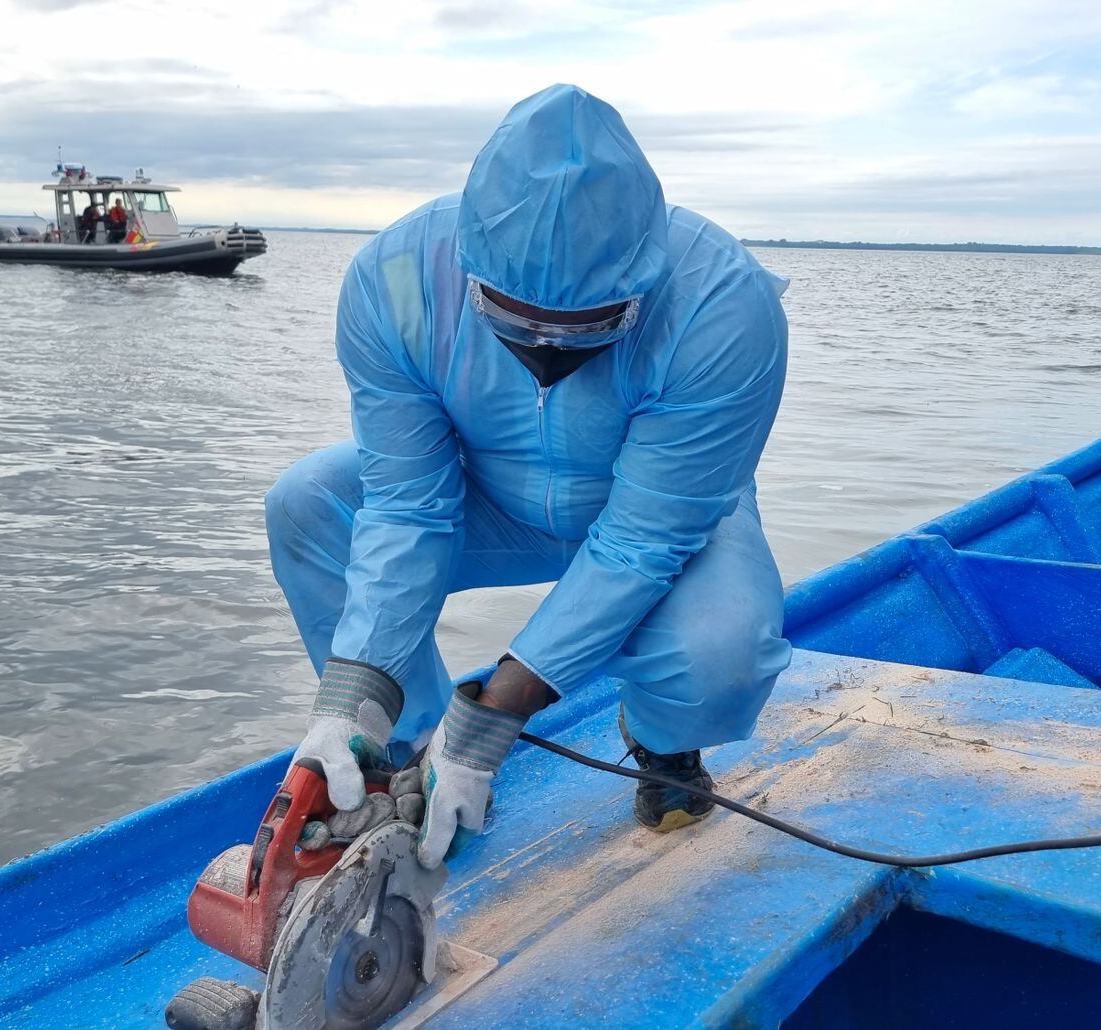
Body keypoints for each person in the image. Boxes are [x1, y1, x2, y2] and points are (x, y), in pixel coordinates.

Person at [267, 84, 791, 871]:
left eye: (588, 328)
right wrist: (352, 697)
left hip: (668, 519)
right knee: (308, 501)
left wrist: (494, 720)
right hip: (489, 496)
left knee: (723, 653)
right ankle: (403, 755)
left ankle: (663, 742)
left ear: (642, 282)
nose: (546, 352)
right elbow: (409, 506)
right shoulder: (394, 279)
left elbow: (644, 541)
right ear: (469, 266)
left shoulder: (725, 305)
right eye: (513, 321)